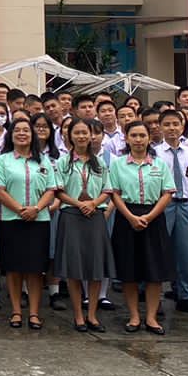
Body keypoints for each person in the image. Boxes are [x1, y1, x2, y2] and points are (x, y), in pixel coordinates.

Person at [107, 120, 174, 335]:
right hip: (126, 218)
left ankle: (152, 317)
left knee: (154, 271)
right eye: (133, 135)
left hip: (154, 218)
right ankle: (134, 316)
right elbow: (114, 193)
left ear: (149, 138)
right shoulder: (117, 164)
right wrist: (130, 217)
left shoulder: (159, 164)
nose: (138, 140)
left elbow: (167, 193)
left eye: (142, 135)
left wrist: (150, 215)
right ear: (126, 138)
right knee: (130, 270)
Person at [0, 116, 55, 330]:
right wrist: (19, 209)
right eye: (17, 130)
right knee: (14, 268)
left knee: (35, 269)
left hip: (39, 220)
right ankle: (17, 311)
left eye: (26, 130)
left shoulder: (43, 161)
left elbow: (51, 189)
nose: (22, 134)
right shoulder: (3, 160)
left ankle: (34, 313)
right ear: (11, 135)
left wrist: (36, 209)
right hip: (11, 220)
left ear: (32, 135)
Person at [54, 117, 115, 334]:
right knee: (74, 267)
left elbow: (108, 189)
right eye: (77, 132)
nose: (81, 136)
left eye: (85, 132)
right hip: (71, 215)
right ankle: (78, 315)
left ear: (92, 136)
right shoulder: (63, 161)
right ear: (69, 135)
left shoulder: (99, 162)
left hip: (94, 216)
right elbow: (58, 190)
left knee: (95, 266)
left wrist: (94, 204)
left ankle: (92, 315)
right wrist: (79, 203)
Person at [155, 108, 188, 314]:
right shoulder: (154, 153)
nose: (172, 128)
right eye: (167, 124)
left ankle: (186, 295)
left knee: (186, 252)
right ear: (160, 127)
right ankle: (154, 298)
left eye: (176, 124)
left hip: (187, 202)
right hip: (163, 204)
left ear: (183, 126)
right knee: (158, 251)